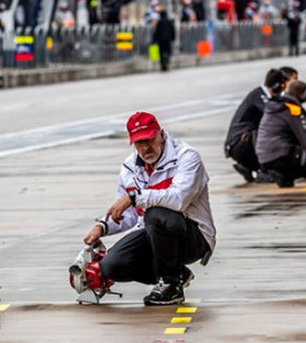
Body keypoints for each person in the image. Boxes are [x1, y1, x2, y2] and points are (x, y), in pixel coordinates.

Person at [82, 112, 216, 306]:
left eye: (149, 139)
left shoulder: (187, 156)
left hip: (194, 235)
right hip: (153, 233)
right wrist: (102, 227)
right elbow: (127, 213)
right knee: (112, 266)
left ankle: (170, 285)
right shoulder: (130, 167)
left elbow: (179, 199)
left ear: (161, 134)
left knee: (155, 214)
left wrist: (135, 197)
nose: (146, 147)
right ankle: (177, 274)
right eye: (139, 143)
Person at [224, 68, 288, 183]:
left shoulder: (266, 97)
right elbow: (274, 115)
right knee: (265, 134)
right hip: (239, 143)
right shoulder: (258, 96)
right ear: (277, 86)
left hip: (243, 144)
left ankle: (250, 167)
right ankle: (263, 170)